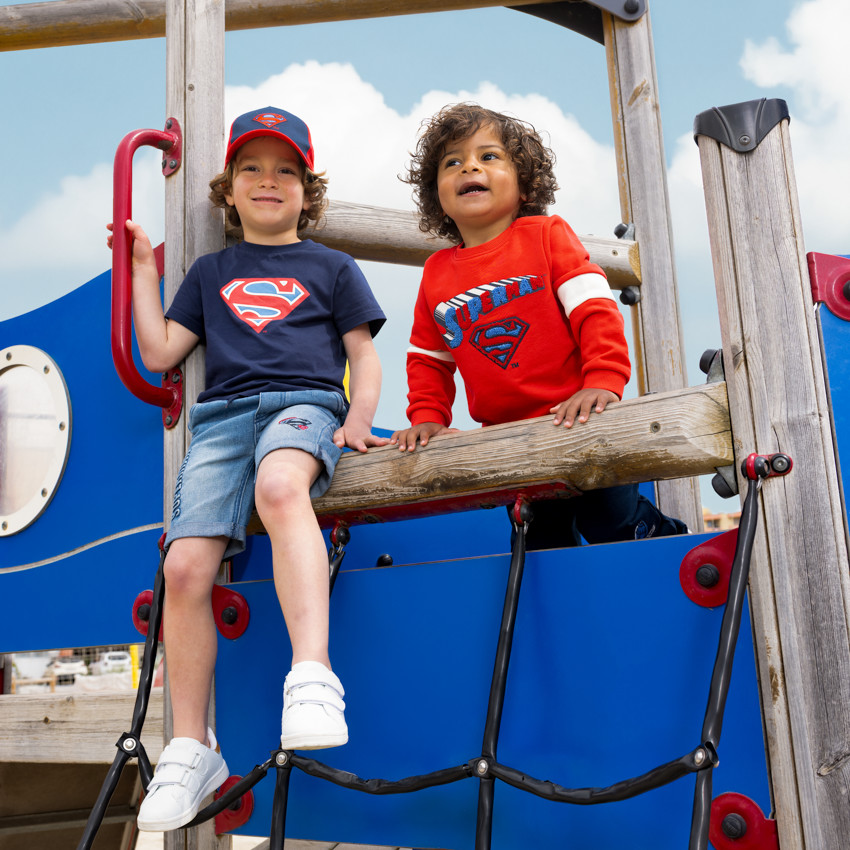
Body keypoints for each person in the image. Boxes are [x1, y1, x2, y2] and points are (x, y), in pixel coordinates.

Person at [108, 106, 387, 831]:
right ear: (228, 189)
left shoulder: (331, 267)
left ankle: (312, 673)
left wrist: (359, 418)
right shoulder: (211, 272)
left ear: (307, 191)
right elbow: (161, 351)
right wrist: (142, 272)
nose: (268, 180)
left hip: (305, 405)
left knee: (280, 487)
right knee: (182, 566)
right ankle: (192, 744)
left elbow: (363, 356)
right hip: (224, 420)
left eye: (286, 170)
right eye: (252, 168)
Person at [391, 103, 687, 549]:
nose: (469, 166)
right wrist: (428, 418)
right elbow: (429, 358)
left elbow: (594, 309)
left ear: (525, 186)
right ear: (438, 196)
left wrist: (603, 380)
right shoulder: (437, 272)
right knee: (538, 542)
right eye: (452, 162)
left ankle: (669, 542)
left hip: (582, 417)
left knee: (611, 523)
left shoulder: (547, 236)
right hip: (513, 440)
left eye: (488, 156)